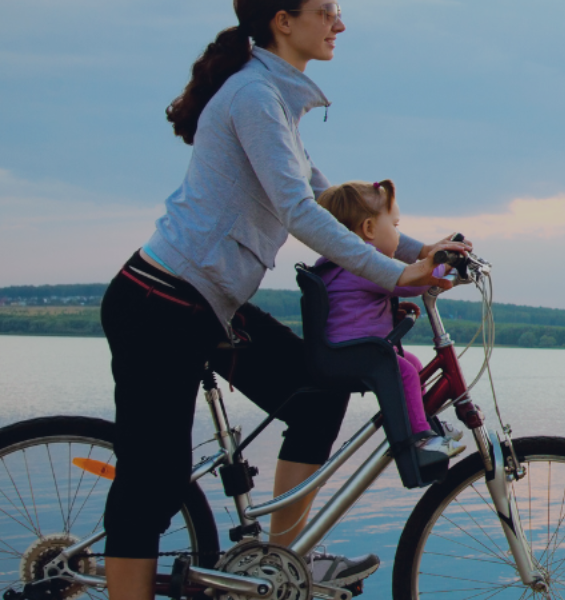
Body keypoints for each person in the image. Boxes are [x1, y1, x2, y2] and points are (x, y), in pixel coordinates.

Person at [100, 1, 468, 598]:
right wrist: (396, 277)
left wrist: (432, 254)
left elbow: (335, 208)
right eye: (327, 11)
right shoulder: (254, 98)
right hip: (160, 303)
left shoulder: (276, 105)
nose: (339, 25)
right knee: (155, 478)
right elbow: (299, 213)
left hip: (206, 305)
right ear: (283, 20)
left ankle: (281, 563)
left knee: (317, 398)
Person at [311, 180, 465, 461]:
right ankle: (420, 440)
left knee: (413, 365)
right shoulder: (362, 266)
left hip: (354, 350)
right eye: (395, 227)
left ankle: (424, 424)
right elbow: (414, 283)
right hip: (354, 353)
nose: (397, 235)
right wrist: (445, 263)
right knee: (404, 372)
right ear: (369, 229)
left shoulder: (342, 266)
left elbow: (359, 304)